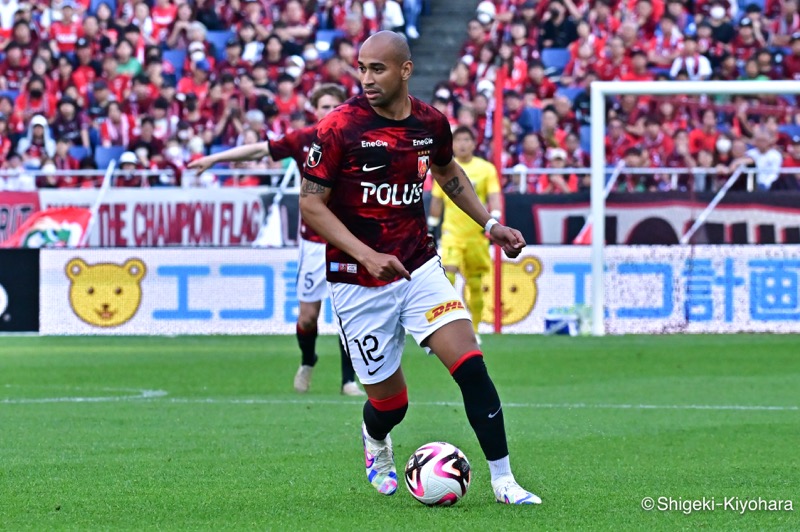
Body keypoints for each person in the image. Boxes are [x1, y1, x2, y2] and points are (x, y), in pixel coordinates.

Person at [297, 31, 540, 505]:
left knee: (471, 366)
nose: (366, 78)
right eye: (362, 68)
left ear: (405, 70)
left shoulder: (431, 122)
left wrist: (489, 223)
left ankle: (504, 481)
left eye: (378, 69)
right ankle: (375, 442)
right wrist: (366, 255)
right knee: (392, 405)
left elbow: (449, 174)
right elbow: (311, 206)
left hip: (417, 267)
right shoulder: (338, 127)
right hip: (357, 282)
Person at [187, 84, 366, 397]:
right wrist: (214, 158)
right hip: (313, 240)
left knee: (348, 312)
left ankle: (348, 379)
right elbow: (258, 150)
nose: (329, 112)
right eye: (323, 106)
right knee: (308, 317)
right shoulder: (303, 139)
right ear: (315, 110)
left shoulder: (358, 139)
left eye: (334, 107)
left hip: (348, 238)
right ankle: (308, 359)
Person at [428, 125, 501, 346]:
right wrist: (432, 228)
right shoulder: (445, 167)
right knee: (448, 274)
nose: (461, 144)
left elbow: (494, 197)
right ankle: (449, 327)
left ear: (473, 143)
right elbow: (437, 202)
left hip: (476, 235)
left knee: (476, 284)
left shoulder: (486, 169)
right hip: (452, 233)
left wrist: (493, 222)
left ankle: (475, 330)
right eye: (457, 140)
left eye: (466, 140)